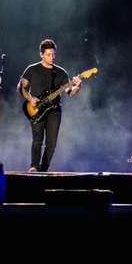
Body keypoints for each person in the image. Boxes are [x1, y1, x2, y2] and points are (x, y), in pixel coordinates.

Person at [18, 39, 82, 172]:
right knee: (37, 139)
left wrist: (78, 86)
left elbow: (69, 92)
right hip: (36, 109)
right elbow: (21, 87)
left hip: (54, 110)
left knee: (51, 143)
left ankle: (44, 170)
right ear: (41, 54)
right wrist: (30, 98)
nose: (52, 57)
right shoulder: (32, 69)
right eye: (48, 54)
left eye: (53, 54)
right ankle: (34, 167)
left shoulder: (61, 72)